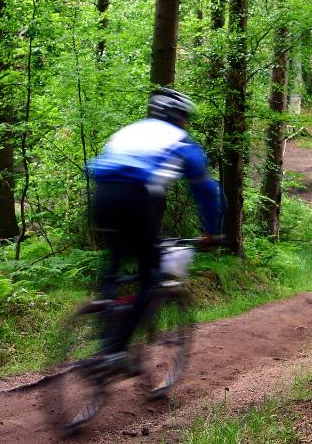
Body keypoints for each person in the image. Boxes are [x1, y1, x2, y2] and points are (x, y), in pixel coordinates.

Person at [88, 87, 222, 373]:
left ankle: (104, 308)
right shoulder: (180, 141)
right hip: (134, 199)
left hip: (101, 196)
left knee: (117, 253)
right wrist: (212, 231)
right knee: (151, 274)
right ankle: (115, 352)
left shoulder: (131, 131)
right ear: (178, 117)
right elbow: (206, 190)